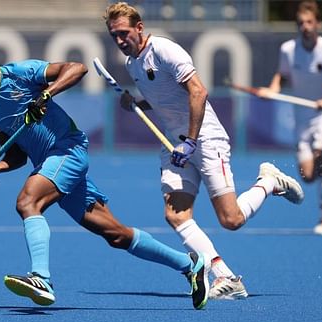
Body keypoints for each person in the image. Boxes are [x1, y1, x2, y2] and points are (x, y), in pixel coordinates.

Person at [0, 42, 210, 309]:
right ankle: (191, 265)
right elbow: (17, 155)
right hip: (49, 164)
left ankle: (41, 278)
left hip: (68, 150)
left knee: (27, 203)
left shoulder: (20, 73)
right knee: (116, 235)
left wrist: (45, 95)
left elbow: (76, 68)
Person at [103, 2, 305, 300]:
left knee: (231, 220)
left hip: (204, 139)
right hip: (174, 145)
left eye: (123, 33)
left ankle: (269, 182)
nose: (120, 41)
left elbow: (198, 91)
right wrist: (137, 102)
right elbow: (163, 98)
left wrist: (192, 141)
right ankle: (224, 275)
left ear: (139, 28)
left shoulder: (164, 50)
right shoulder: (133, 63)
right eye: (113, 36)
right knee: (176, 215)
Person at [258, 1, 322, 236]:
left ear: (318, 24)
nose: (305, 27)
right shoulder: (288, 50)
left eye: (309, 22)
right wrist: (272, 89)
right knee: (309, 176)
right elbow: (282, 75)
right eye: (301, 23)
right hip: (301, 121)